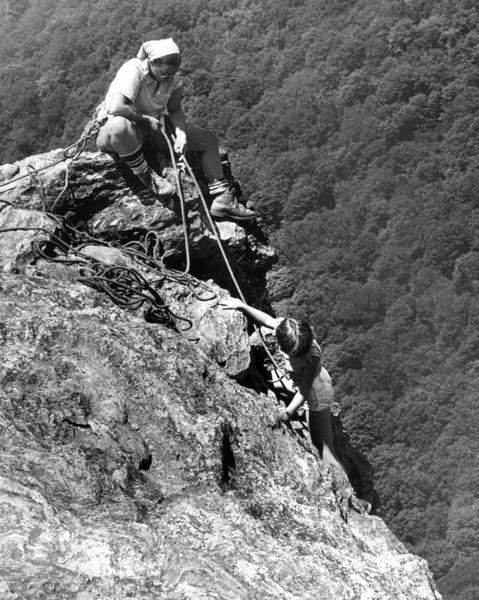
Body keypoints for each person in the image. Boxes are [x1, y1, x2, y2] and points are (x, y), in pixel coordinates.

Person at [96, 38, 257, 220]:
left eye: (172, 73)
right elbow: (116, 107)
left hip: (151, 129)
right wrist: (145, 119)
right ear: (151, 63)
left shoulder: (173, 78)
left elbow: (175, 110)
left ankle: (222, 199)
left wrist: (181, 135)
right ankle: (146, 176)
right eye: (164, 73)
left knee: (207, 139)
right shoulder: (134, 69)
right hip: (119, 131)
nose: (168, 77)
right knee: (119, 126)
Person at [220, 297, 350, 479]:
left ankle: (351, 494)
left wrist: (287, 413)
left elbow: (305, 391)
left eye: (293, 356)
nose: (289, 357)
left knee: (324, 450)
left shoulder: (311, 358)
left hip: (317, 395)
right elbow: (267, 320)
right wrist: (242, 306)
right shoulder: (289, 330)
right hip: (310, 383)